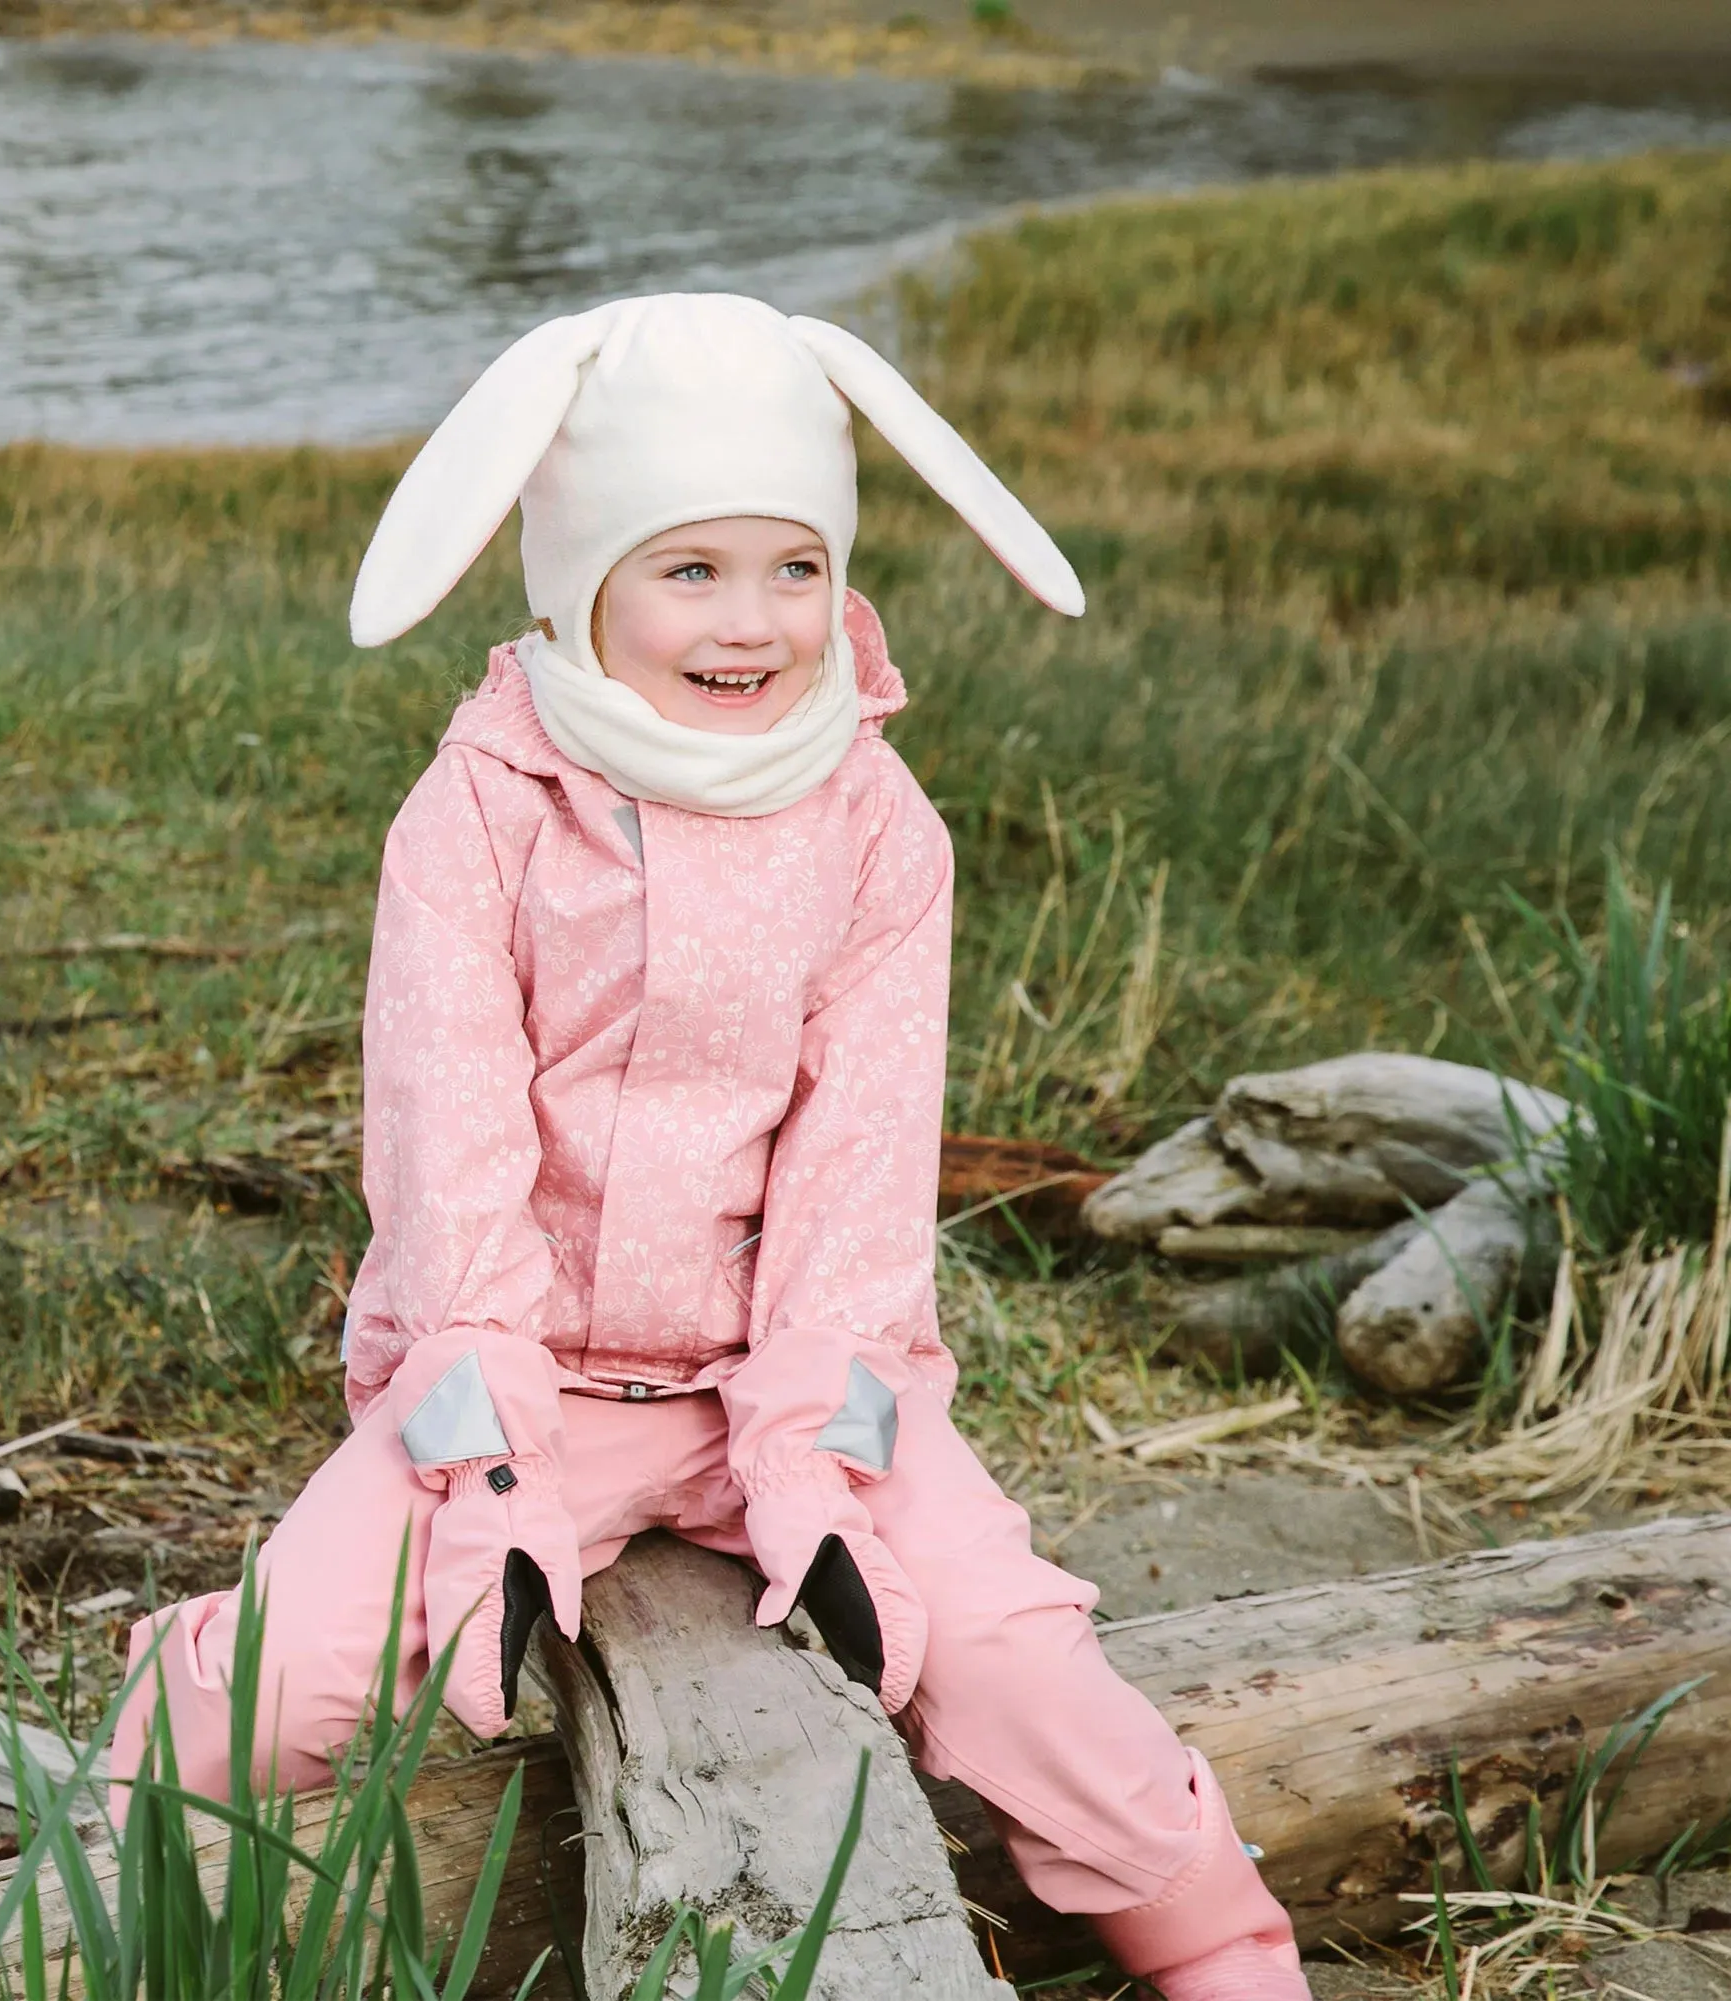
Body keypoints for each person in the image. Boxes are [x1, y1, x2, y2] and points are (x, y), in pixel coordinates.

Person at [111, 293, 1312, 2001]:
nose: (753, 624)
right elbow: (448, 1163)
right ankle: (122, 1821)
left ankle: (1230, 1952)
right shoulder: (479, 815)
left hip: (802, 1380)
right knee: (289, 1680)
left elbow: (861, 1179)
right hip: (510, 1387)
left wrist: (819, 1449)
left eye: (795, 568)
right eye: (689, 570)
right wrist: (497, 1472)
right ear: (575, 584)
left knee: (1021, 1673)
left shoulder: (879, 827)